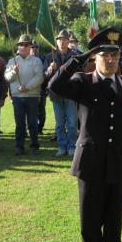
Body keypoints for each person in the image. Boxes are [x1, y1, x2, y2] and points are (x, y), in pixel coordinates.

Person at [49, 27, 122, 242]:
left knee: (114, 221)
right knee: (90, 221)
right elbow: (54, 85)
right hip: (90, 162)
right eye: (104, 55)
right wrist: (77, 59)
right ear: (95, 57)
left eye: (115, 55)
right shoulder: (83, 81)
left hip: (118, 163)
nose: (110, 60)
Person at [5, 35, 44, 155]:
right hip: (17, 97)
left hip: (32, 96)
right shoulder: (12, 61)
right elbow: (7, 78)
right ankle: (19, 146)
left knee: (32, 123)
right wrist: (13, 72)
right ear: (18, 47)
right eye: (21, 44)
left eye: (26, 45)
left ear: (30, 47)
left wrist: (26, 87)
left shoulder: (36, 61)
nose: (23, 47)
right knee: (19, 124)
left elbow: (39, 78)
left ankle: (34, 145)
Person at [44, 29, 78, 157]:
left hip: (70, 94)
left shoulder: (75, 56)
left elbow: (80, 73)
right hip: (56, 95)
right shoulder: (49, 57)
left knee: (72, 123)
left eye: (64, 39)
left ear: (68, 41)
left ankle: (71, 146)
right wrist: (49, 69)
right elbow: (45, 76)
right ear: (56, 42)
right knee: (59, 124)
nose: (61, 42)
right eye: (59, 39)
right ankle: (62, 146)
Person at [30, 40, 47, 135]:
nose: (34, 49)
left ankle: (40, 128)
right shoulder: (26, 59)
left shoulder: (44, 59)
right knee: (30, 110)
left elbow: (46, 74)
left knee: (41, 110)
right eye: (32, 47)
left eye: (36, 47)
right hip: (30, 89)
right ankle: (31, 128)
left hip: (42, 89)